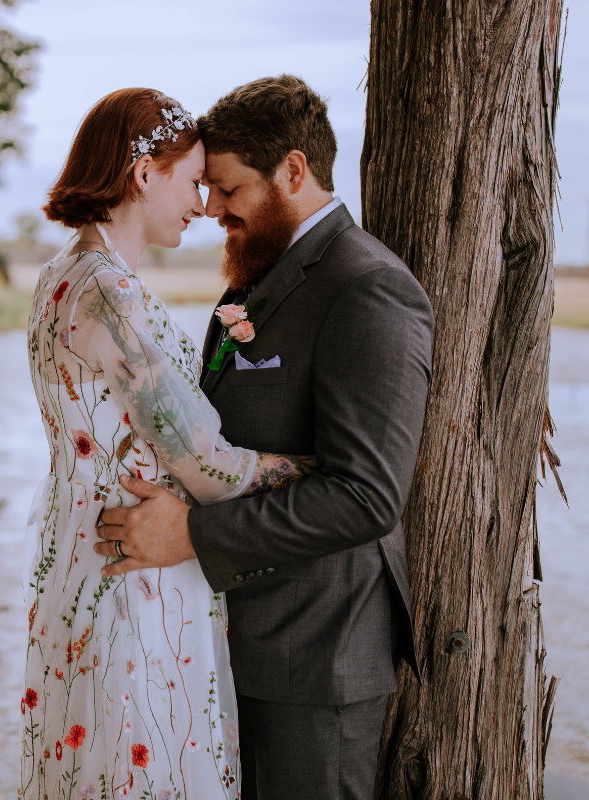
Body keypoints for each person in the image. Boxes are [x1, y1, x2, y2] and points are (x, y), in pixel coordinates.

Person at [93, 76, 434, 800]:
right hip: (233, 644)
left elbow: (366, 498)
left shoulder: (367, 287)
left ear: (293, 171)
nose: (211, 207)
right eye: (206, 189)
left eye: (227, 189)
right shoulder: (255, 279)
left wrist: (191, 537)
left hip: (316, 660)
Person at [21, 88, 312, 800]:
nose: (205, 202)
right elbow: (203, 461)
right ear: (145, 174)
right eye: (193, 180)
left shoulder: (62, 274)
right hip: (135, 575)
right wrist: (312, 469)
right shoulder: (108, 296)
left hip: (88, 558)